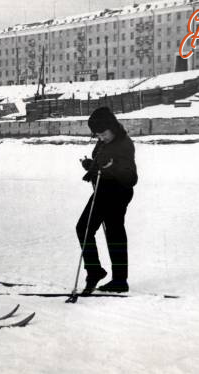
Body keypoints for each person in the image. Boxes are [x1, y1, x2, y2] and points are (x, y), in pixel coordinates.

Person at [77, 107, 137, 295]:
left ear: (112, 127)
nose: (100, 137)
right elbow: (102, 160)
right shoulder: (106, 140)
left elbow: (131, 178)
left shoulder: (124, 144)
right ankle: (119, 280)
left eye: (103, 133)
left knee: (85, 228)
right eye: (97, 134)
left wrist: (111, 168)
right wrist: (91, 167)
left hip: (116, 193)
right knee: (114, 234)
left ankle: (95, 272)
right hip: (104, 190)